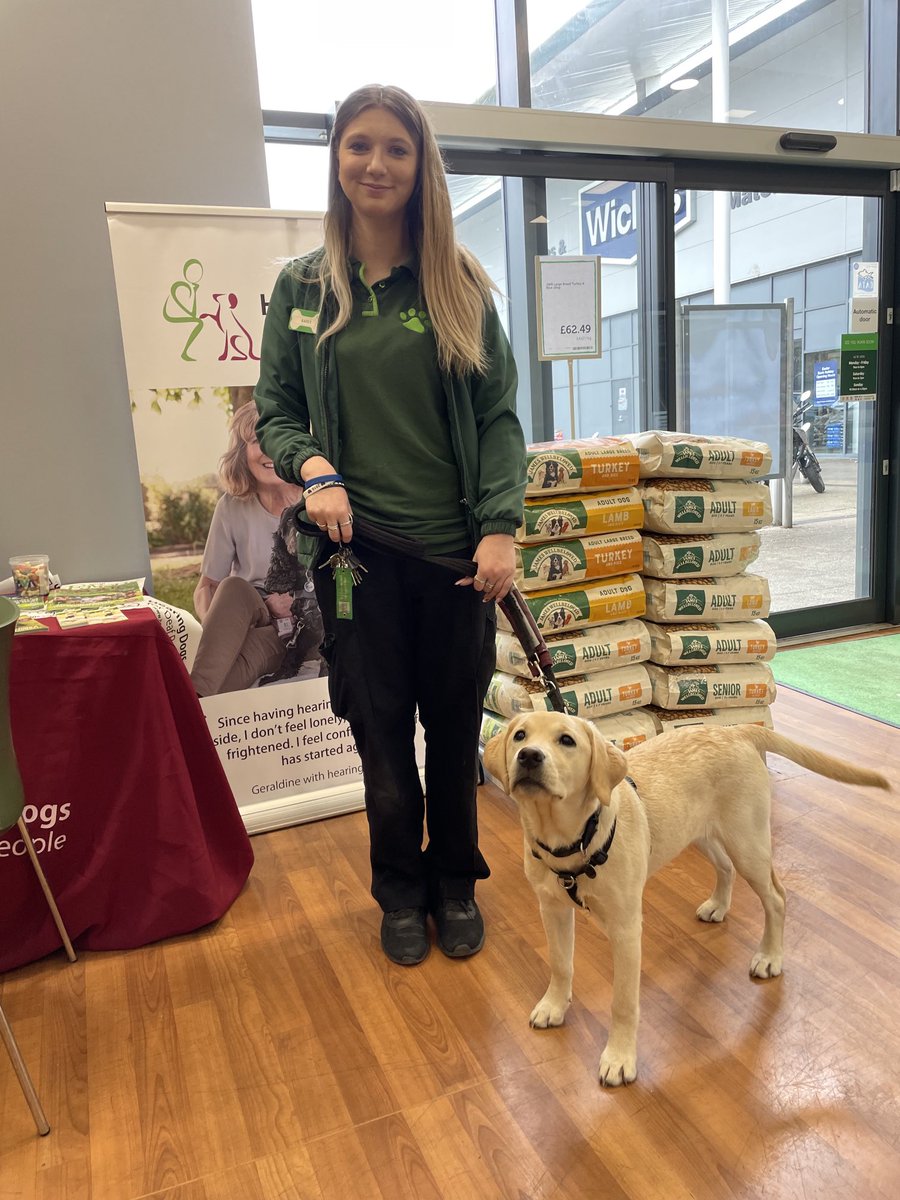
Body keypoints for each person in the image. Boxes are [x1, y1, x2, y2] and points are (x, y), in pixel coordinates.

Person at [254, 84, 526, 966]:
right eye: (358, 146)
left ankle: (455, 882)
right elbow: (277, 412)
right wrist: (317, 470)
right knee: (380, 733)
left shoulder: (459, 285)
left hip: (453, 559)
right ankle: (399, 893)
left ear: (422, 166)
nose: (376, 163)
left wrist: (500, 527)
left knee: (451, 732)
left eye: (396, 149)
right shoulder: (301, 290)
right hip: (353, 561)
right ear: (336, 159)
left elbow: (497, 419)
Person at [190, 403, 323, 697]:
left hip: (303, 629)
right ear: (242, 453)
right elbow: (207, 587)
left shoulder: (319, 500)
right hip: (252, 615)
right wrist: (221, 629)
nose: (268, 450)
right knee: (232, 587)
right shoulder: (231, 507)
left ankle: (190, 701)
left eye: (276, 438)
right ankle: (192, 702)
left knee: (219, 679)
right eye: (256, 441)